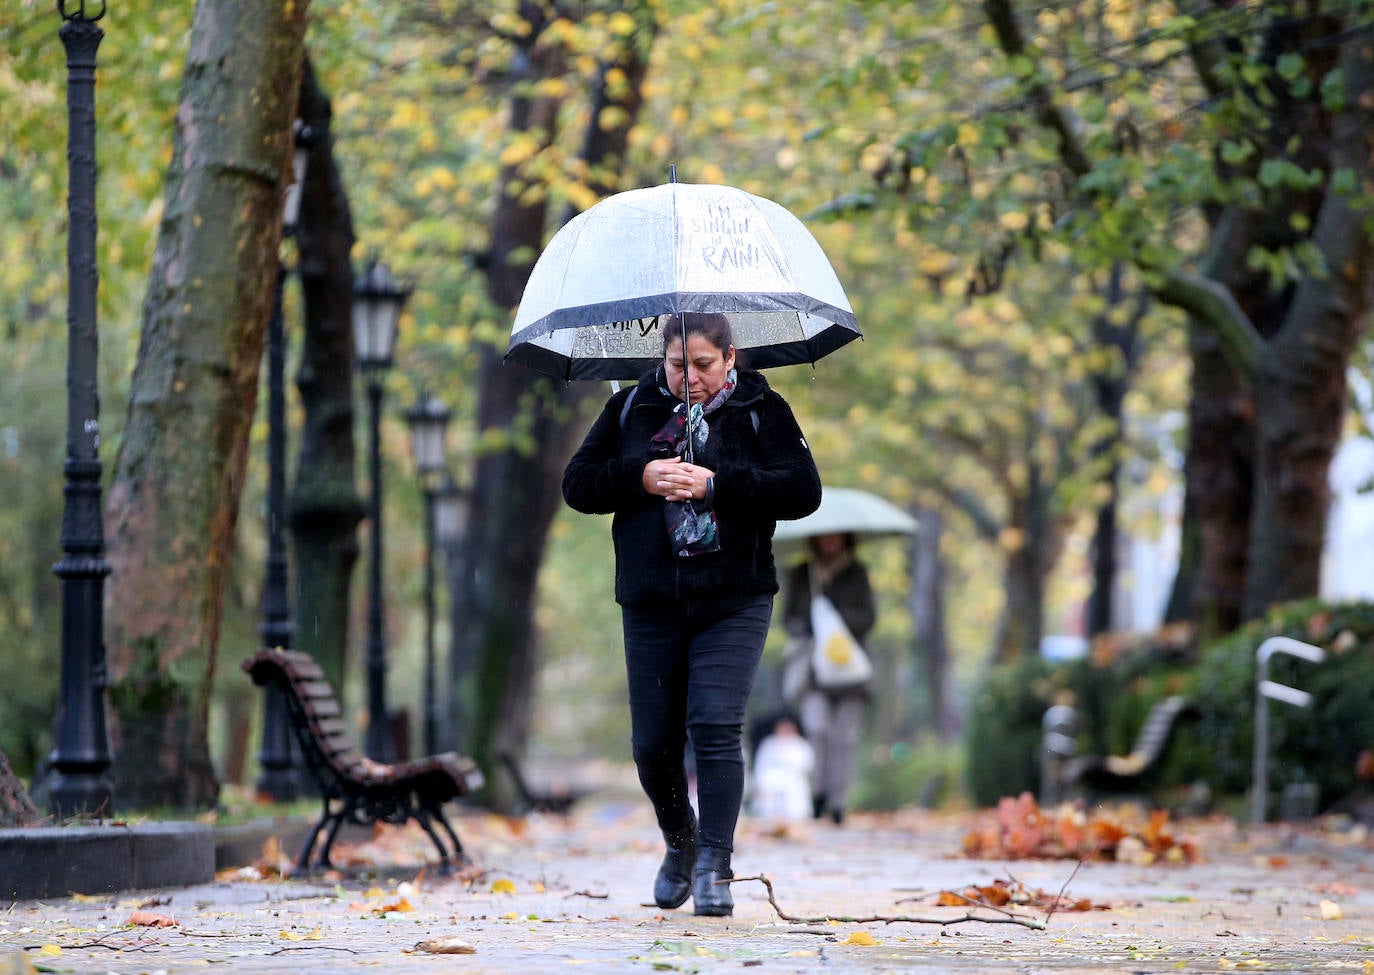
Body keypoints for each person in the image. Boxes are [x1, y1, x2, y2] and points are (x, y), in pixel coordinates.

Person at [562, 312, 822, 917]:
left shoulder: (763, 408)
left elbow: (802, 490)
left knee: (714, 727)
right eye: (678, 366)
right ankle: (680, 842)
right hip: (651, 599)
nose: (689, 379)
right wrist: (641, 476)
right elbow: (578, 485)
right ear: (663, 359)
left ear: (730, 357)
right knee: (653, 745)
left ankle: (716, 864)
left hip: (735, 596)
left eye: (703, 366)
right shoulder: (630, 408)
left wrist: (718, 485)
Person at [782, 532, 876, 824]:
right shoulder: (802, 573)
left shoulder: (858, 572)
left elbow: (869, 617)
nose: (831, 542)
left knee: (845, 738)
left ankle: (839, 802)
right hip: (814, 668)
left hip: (850, 668)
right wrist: (815, 621)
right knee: (817, 729)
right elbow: (790, 618)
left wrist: (835, 618)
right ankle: (818, 793)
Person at [748, 712, 815, 822]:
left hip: (794, 782)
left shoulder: (801, 745)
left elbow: (807, 766)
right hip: (771, 782)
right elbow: (761, 766)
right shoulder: (768, 744)